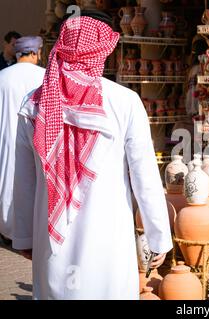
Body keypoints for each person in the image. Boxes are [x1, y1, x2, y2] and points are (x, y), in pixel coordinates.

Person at [12, 14, 172, 299]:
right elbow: (145, 176)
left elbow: (23, 181)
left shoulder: (35, 103)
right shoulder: (124, 101)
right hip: (108, 244)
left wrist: (24, 236)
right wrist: (158, 235)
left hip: (52, 246)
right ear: (103, 51)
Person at [0, 36, 46, 245]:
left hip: (5, 137)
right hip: (34, 139)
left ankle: (6, 229)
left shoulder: (2, 76)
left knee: (6, 181)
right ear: (36, 53)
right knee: (31, 184)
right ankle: (28, 233)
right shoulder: (44, 76)